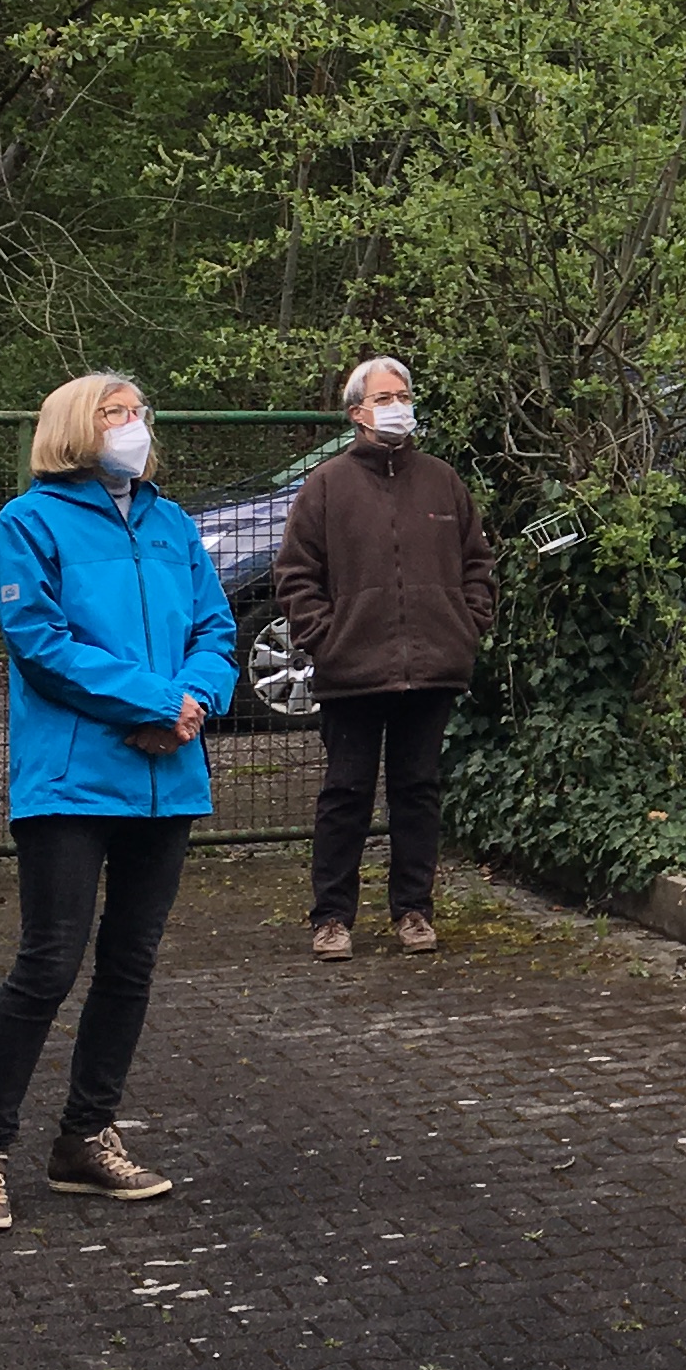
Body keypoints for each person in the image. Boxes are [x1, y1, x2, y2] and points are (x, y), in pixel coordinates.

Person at [0, 373, 235, 1229]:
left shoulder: (172, 522)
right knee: (49, 962)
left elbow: (216, 629)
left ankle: (85, 1136)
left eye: (137, 412)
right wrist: (155, 703)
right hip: (73, 782)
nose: (132, 424)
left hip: (168, 781)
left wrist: (192, 702)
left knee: (130, 963)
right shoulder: (28, 522)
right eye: (114, 413)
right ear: (73, 427)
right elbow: (39, 643)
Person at [276, 355, 497, 962]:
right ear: (357, 413)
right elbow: (295, 573)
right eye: (383, 398)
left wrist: (465, 626)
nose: (397, 406)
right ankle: (331, 919)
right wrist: (327, 637)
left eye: (403, 395)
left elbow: (478, 563)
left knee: (417, 792)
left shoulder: (442, 480)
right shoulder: (326, 485)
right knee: (345, 795)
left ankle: (414, 911)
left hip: (432, 670)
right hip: (352, 672)